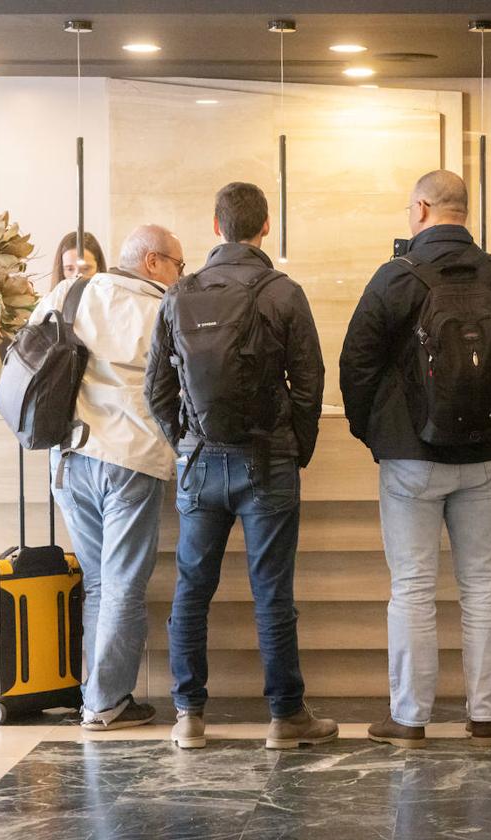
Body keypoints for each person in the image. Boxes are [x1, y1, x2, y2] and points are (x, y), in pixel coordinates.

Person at [340, 169, 491, 748]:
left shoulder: (394, 279)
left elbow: (355, 366)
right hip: (486, 458)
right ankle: (485, 715)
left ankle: (409, 718)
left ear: (420, 209)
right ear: (466, 211)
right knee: (483, 586)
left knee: (412, 586)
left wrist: (378, 434)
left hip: (409, 458)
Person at [146, 181, 336, 751]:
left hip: (200, 463)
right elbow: (309, 383)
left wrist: (186, 441)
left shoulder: (178, 294)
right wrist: (294, 449)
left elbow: (156, 388)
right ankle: (285, 718)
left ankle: (189, 716)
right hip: (267, 462)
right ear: (266, 226)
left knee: (191, 591)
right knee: (272, 591)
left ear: (214, 225)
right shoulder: (283, 293)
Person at [29, 224, 184, 730]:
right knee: (121, 586)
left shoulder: (71, 291)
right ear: (155, 262)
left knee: (98, 583)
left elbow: (30, 351)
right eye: (179, 265)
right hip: (130, 461)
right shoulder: (162, 309)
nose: (181, 275)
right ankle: (104, 702)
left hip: (69, 456)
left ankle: (97, 695)